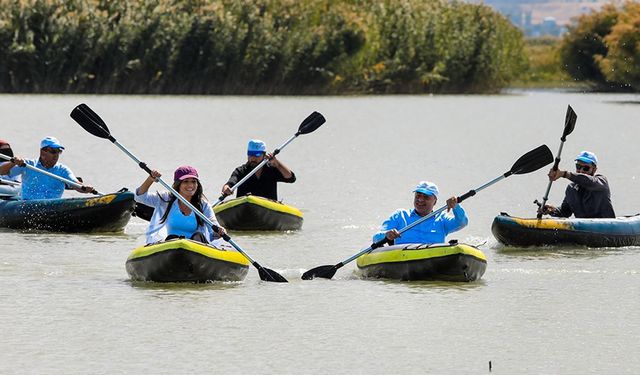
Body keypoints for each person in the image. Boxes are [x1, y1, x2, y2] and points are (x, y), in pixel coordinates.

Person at [135, 165, 226, 244]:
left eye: (193, 182)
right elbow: (140, 197)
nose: (190, 185)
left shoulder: (203, 205)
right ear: (178, 184)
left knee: (197, 236)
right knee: (172, 238)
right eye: (185, 181)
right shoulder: (166, 199)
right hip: (172, 244)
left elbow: (213, 227)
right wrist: (150, 179)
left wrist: (219, 231)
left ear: (197, 184)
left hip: (197, 245)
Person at [372, 181, 469, 245]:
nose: (420, 200)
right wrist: (387, 235)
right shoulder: (400, 215)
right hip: (403, 259)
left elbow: (462, 223)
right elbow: (376, 237)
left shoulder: (442, 218)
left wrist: (455, 206)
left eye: (426, 197)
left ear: (434, 201)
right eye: (418, 196)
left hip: (433, 259)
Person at [0, 136, 94, 200]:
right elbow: (1, 171)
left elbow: (75, 184)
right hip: (26, 206)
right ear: (43, 152)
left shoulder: (63, 170)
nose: (56, 155)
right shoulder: (27, 165)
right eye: (53, 151)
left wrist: (85, 188)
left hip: (52, 207)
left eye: (59, 151)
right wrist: (12, 162)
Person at [539, 150, 615, 218]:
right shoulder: (571, 188)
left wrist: (564, 174)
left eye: (586, 168)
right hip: (584, 229)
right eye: (578, 167)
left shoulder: (601, 182)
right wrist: (551, 210)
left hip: (607, 229)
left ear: (594, 170)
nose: (581, 171)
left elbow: (587, 180)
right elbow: (565, 212)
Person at [221, 139, 296, 201]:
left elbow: (291, 178)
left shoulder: (272, 169)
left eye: (257, 154)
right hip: (244, 206)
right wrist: (226, 188)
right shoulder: (240, 171)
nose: (253, 158)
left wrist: (276, 163)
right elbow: (230, 183)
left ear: (264, 155)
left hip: (268, 207)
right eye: (250, 154)